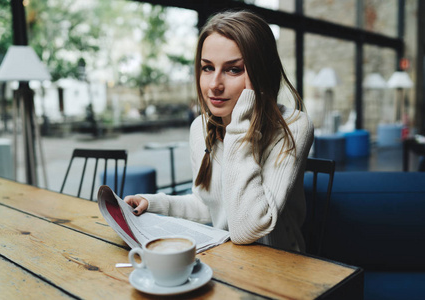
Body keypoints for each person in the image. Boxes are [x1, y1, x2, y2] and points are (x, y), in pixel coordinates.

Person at [125, 10, 314, 252]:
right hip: (228, 261)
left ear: (261, 73)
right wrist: (153, 203)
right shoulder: (200, 128)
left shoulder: (295, 126)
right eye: (207, 68)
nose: (214, 84)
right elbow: (209, 205)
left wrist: (242, 122)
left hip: (281, 267)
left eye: (233, 69)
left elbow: (248, 228)